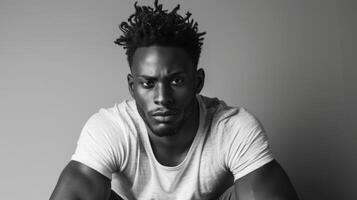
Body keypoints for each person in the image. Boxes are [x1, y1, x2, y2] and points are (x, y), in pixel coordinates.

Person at [49, 1, 299, 199]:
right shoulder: (111, 129)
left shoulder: (232, 128)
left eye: (177, 81)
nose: (162, 98)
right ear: (132, 87)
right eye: (148, 83)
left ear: (197, 82)